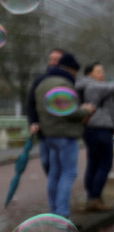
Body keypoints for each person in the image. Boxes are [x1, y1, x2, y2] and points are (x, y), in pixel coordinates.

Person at [34, 53, 95, 217]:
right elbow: (69, 112)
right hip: (65, 135)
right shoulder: (64, 84)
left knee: (54, 173)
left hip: (49, 134)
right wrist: (86, 110)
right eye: (75, 72)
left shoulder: (42, 83)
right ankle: (62, 213)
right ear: (70, 69)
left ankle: (54, 211)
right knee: (68, 173)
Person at [76, 59, 114, 211]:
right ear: (90, 74)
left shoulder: (84, 85)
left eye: (102, 71)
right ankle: (95, 198)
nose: (102, 74)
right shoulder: (94, 86)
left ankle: (92, 197)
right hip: (100, 128)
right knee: (105, 163)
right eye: (99, 71)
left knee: (93, 163)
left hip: (89, 128)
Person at [27, 47, 65, 175]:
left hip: (61, 130)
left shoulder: (68, 81)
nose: (53, 62)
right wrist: (33, 122)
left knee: (59, 163)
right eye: (52, 59)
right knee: (46, 162)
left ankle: (58, 190)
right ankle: (55, 187)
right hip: (44, 129)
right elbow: (31, 102)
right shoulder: (40, 80)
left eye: (57, 59)